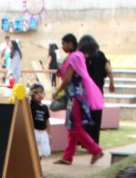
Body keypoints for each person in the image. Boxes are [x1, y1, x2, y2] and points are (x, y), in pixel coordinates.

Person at [52, 33, 105, 166]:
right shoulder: (76, 56)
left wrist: (58, 91)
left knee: (75, 127)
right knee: (72, 127)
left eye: (64, 43)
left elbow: (68, 79)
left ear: (70, 43)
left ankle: (96, 150)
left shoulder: (74, 57)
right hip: (77, 96)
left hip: (75, 96)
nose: (63, 46)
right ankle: (67, 157)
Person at [79, 35, 114, 147]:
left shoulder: (81, 57)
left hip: (84, 92)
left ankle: (84, 141)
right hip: (98, 92)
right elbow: (108, 70)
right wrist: (112, 83)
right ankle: (94, 142)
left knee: (84, 115)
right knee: (96, 117)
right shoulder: (100, 55)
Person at [29, 82, 52, 157]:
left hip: (43, 133)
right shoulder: (31, 105)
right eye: (36, 92)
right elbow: (24, 99)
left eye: (41, 92)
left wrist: (50, 134)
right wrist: (29, 94)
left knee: (41, 152)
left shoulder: (45, 107)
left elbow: (47, 121)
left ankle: (38, 167)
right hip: (34, 132)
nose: (39, 94)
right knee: (34, 151)